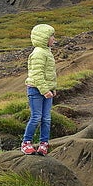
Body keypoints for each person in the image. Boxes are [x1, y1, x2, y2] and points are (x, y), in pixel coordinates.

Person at [21, 24, 58, 156]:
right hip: (36, 91)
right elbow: (37, 75)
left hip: (45, 90)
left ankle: (44, 143)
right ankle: (26, 143)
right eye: (51, 36)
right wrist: (45, 90)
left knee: (46, 118)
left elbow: (49, 74)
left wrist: (52, 88)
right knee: (36, 117)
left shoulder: (46, 52)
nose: (54, 39)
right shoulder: (38, 53)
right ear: (44, 38)